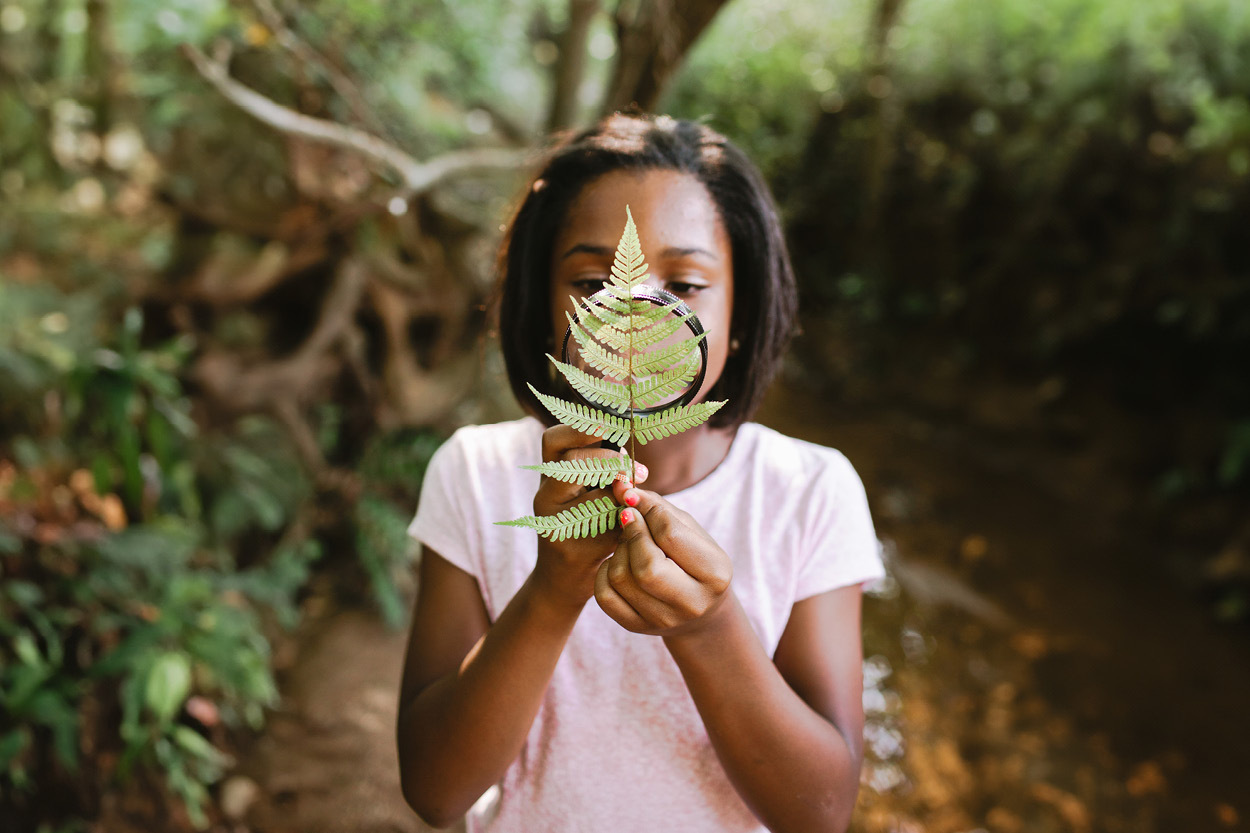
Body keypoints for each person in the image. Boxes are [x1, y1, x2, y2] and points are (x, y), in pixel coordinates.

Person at [396, 113, 884, 833]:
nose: (636, 315)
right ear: (541, 307)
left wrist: (711, 627)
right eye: (594, 281)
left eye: (685, 284)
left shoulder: (811, 492)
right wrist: (552, 589)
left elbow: (821, 812)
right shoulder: (475, 473)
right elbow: (434, 789)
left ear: (740, 312)